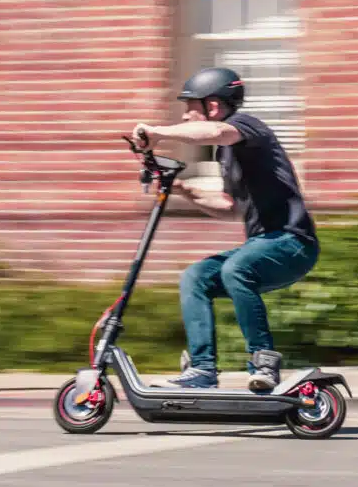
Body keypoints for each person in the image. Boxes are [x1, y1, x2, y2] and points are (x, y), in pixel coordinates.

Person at [130, 67, 320, 391]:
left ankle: (264, 362)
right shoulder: (228, 154)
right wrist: (183, 189)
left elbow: (216, 132)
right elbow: (230, 207)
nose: (185, 116)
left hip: (293, 243)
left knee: (237, 268)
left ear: (214, 107)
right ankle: (202, 369)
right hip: (263, 244)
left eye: (190, 107)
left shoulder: (247, 127)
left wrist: (158, 132)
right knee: (195, 277)